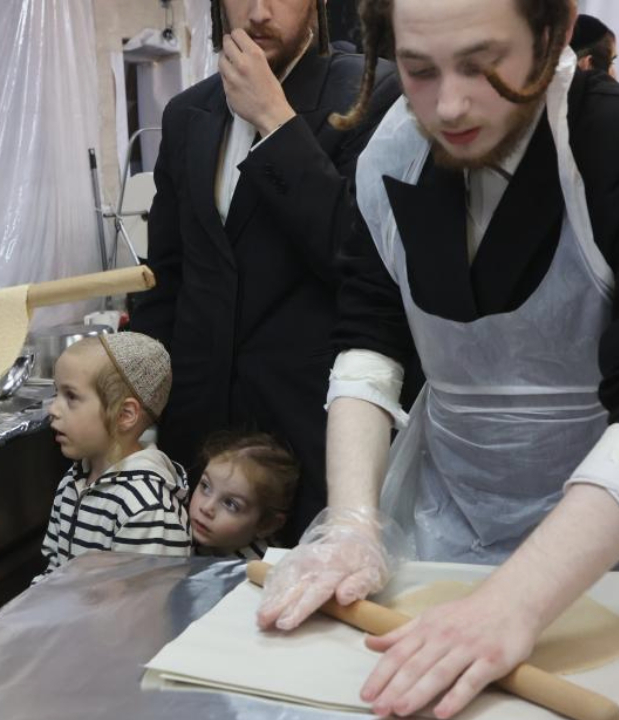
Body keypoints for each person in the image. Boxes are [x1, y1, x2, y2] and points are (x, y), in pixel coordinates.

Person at [257, 0, 619, 717]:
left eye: (482, 64)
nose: (449, 105)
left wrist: (514, 603)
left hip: (606, 539)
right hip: (444, 514)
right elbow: (370, 339)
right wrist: (351, 521)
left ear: (553, 32)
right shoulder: (392, 153)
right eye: (419, 70)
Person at [129, 0, 402, 543]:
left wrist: (274, 120)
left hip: (310, 430)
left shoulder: (371, 93)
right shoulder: (188, 115)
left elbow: (357, 256)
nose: (258, 12)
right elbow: (165, 280)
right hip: (198, 435)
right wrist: (142, 410)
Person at [37, 333, 190, 581]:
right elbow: (54, 575)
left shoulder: (147, 508)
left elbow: (142, 605)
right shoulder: (72, 482)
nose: (52, 409)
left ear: (125, 414)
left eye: (71, 397)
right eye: (57, 394)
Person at [190, 431, 299, 560]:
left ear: (266, 525)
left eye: (230, 504)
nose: (206, 508)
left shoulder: (262, 568)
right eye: (205, 486)